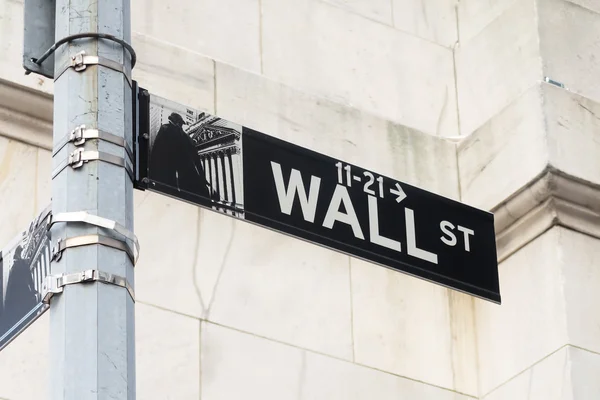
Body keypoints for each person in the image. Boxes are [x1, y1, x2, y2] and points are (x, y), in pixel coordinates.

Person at [149, 112, 212, 199]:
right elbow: (156, 152)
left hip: (177, 176)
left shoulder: (176, 133)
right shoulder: (170, 131)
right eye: (180, 124)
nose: (181, 126)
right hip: (172, 175)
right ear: (178, 123)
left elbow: (156, 152)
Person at [0, 245, 38, 338]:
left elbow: (10, 287)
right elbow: (30, 280)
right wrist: (32, 291)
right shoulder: (23, 264)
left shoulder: (15, 268)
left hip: (17, 299)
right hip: (23, 296)